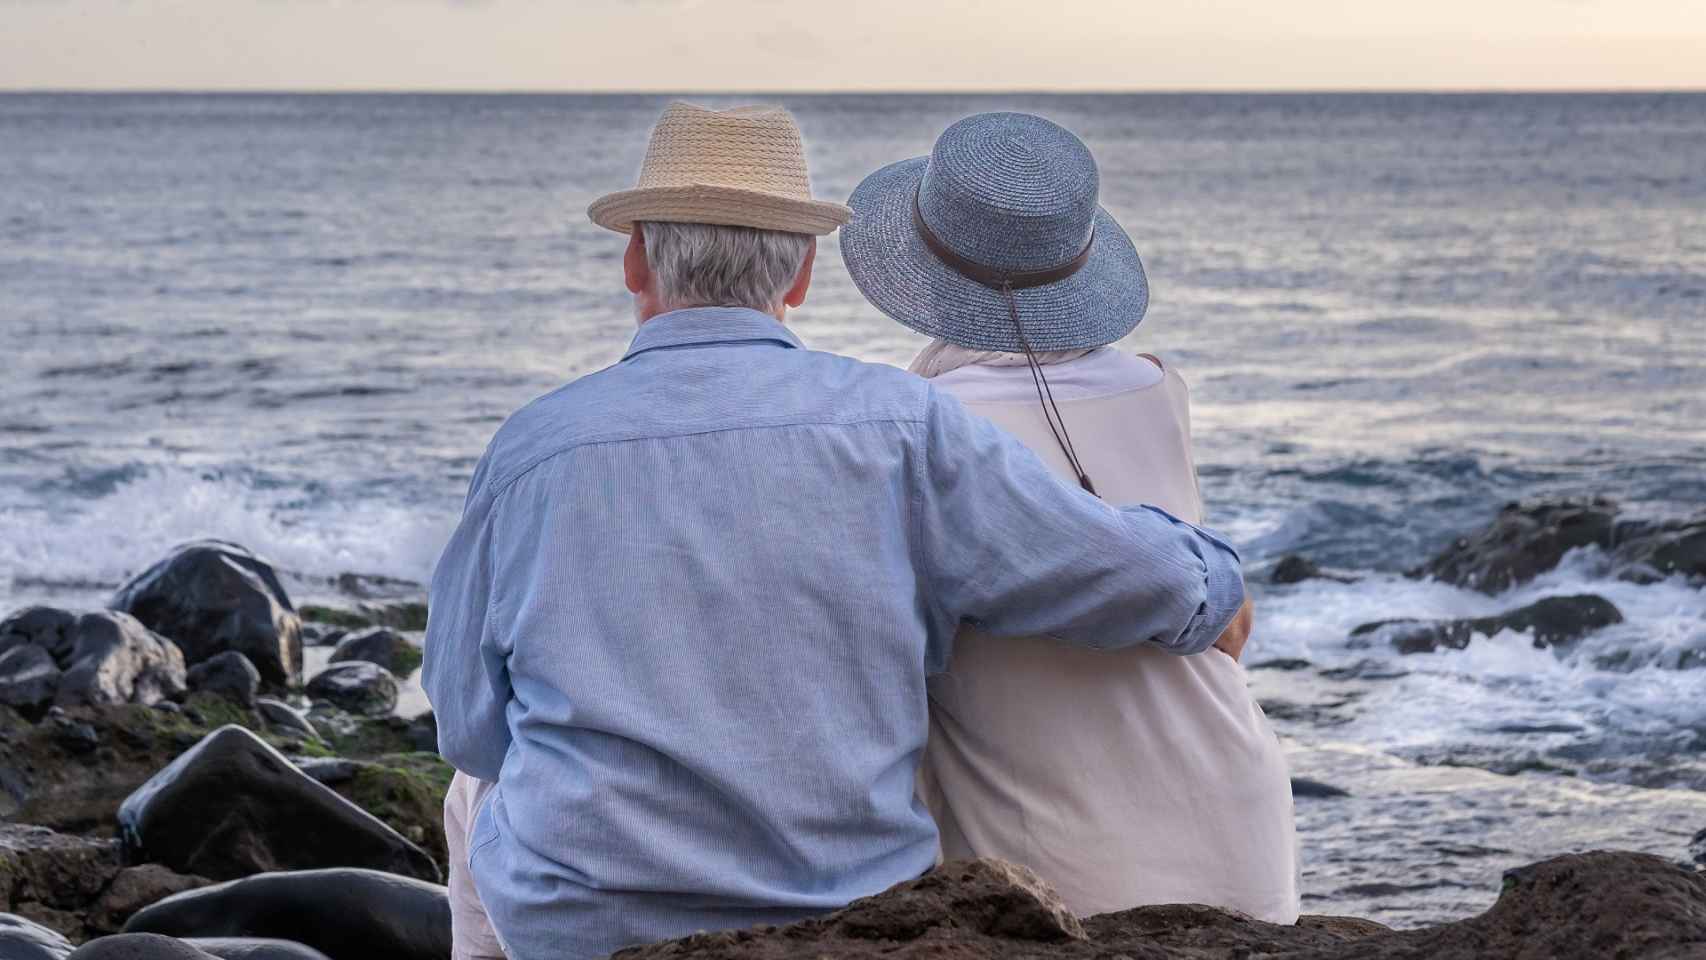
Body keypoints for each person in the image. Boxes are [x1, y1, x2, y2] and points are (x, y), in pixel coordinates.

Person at [423, 101, 1251, 960]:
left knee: (471, 797)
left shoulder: (532, 446)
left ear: (635, 261)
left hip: (585, 925)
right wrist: (1214, 577)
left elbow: (469, 725)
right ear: (802, 275)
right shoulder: (898, 424)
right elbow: (1112, 569)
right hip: (844, 918)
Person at [839, 111, 1299, 923]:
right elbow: (1231, 618)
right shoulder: (1159, 388)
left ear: (925, 266)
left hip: (1062, 853)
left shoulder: (912, 431)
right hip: (1238, 813)